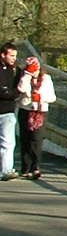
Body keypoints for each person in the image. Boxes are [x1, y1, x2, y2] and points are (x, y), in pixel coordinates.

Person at [18, 56, 53, 179]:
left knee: (37, 139)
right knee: (25, 139)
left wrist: (40, 97)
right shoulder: (24, 77)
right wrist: (27, 75)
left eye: (35, 67)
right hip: (26, 110)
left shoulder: (46, 79)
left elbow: (52, 97)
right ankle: (25, 167)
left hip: (40, 112)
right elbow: (21, 89)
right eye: (30, 67)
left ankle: (36, 167)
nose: (34, 70)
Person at [0, 43, 19, 180]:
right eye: (11, 55)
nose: (14, 58)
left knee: (8, 142)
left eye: (15, 56)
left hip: (8, 111)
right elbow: (4, 92)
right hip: (4, 106)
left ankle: (6, 170)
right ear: (3, 55)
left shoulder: (14, 70)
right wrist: (15, 93)